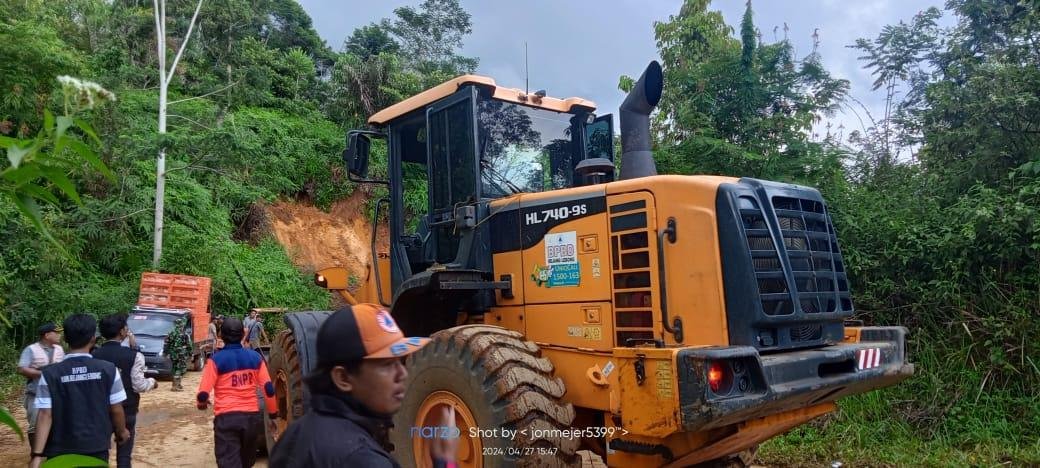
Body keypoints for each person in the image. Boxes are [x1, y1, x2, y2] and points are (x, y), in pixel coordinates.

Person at [269, 304, 456, 468]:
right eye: (387, 365)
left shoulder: (293, 436)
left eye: (400, 361)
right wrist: (445, 462)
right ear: (343, 378)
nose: (402, 374)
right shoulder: (360, 458)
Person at [30, 314, 130, 468]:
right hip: (96, 447)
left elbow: (45, 415)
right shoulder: (108, 370)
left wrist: (37, 455)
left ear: (64, 339)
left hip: (59, 449)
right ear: (92, 338)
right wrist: (121, 431)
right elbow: (116, 409)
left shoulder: (50, 374)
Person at [196, 317, 277, 468]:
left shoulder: (215, 360)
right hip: (251, 419)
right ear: (243, 334)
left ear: (221, 336)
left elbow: (203, 393)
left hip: (226, 419)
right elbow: (268, 389)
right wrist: (273, 415)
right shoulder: (256, 358)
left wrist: (201, 403)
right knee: (246, 463)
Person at [93, 313, 159, 468]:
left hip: (100, 411)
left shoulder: (94, 355)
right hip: (127, 408)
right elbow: (138, 385)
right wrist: (152, 382)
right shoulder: (134, 356)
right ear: (122, 332)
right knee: (124, 455)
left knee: (100, 453)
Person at [16, 323, 65, 452]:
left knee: (57, 422)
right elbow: (21, 368)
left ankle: (53, 451)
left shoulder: (59, 349)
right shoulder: (31, 349)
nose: (59, 335)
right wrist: (42, 373)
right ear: (47, 335)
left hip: (56, 393)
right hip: (35, 393)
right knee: (34, 424)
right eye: (56, 332)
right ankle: (36, 453)